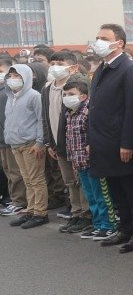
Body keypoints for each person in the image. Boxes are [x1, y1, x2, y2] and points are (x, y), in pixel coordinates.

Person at [87, 24, 133, 251]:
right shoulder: (101, 69)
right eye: (97, 37)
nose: (98, 42)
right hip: (102, 142)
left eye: (104, 38)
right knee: (116, 191)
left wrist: (127, 143)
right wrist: (90, 141)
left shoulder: (129, 69)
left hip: (121, 143)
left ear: (119, 43)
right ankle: (125, 229)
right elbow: (94, 108)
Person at [61, 76, 117, 243]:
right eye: (64, 95)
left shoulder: (88, 111)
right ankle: (98, 223)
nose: (66, 97)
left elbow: (96, 133)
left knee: (101, 195)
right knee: (90, 196)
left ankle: (109, 225)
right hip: (79, 162)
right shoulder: (70, 113)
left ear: (83, 96)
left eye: (71, 94)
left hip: (93, 162)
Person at [43, 51, 90, 233]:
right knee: (70, 181)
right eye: (53, 62)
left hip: (77, 143)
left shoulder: (79, 86)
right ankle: (76, 213)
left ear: (72, 66)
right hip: (58, 143)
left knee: (82, 181)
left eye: (60, 63)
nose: (55, 67)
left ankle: (87, 214)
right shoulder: (48, 88)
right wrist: (50, 143)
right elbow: (45, 117)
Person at [4, 63, 48, 229]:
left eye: (17, 76)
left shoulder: (33, 96)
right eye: (11, 76)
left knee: (36, 179)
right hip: (16, 144)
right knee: (27, 180)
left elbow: (41, 120)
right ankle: (31, 210)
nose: (13, 79)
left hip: (30, 144)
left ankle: (40, 213)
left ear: (27, 77)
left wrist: (39, 142)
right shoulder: (11, 96)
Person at [0, 57, 27, 218]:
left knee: (15, 172)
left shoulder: (7, 94)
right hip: (4, 140)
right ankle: (14, 198)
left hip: (11, 140)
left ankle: (18, 201)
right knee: (8, 170)